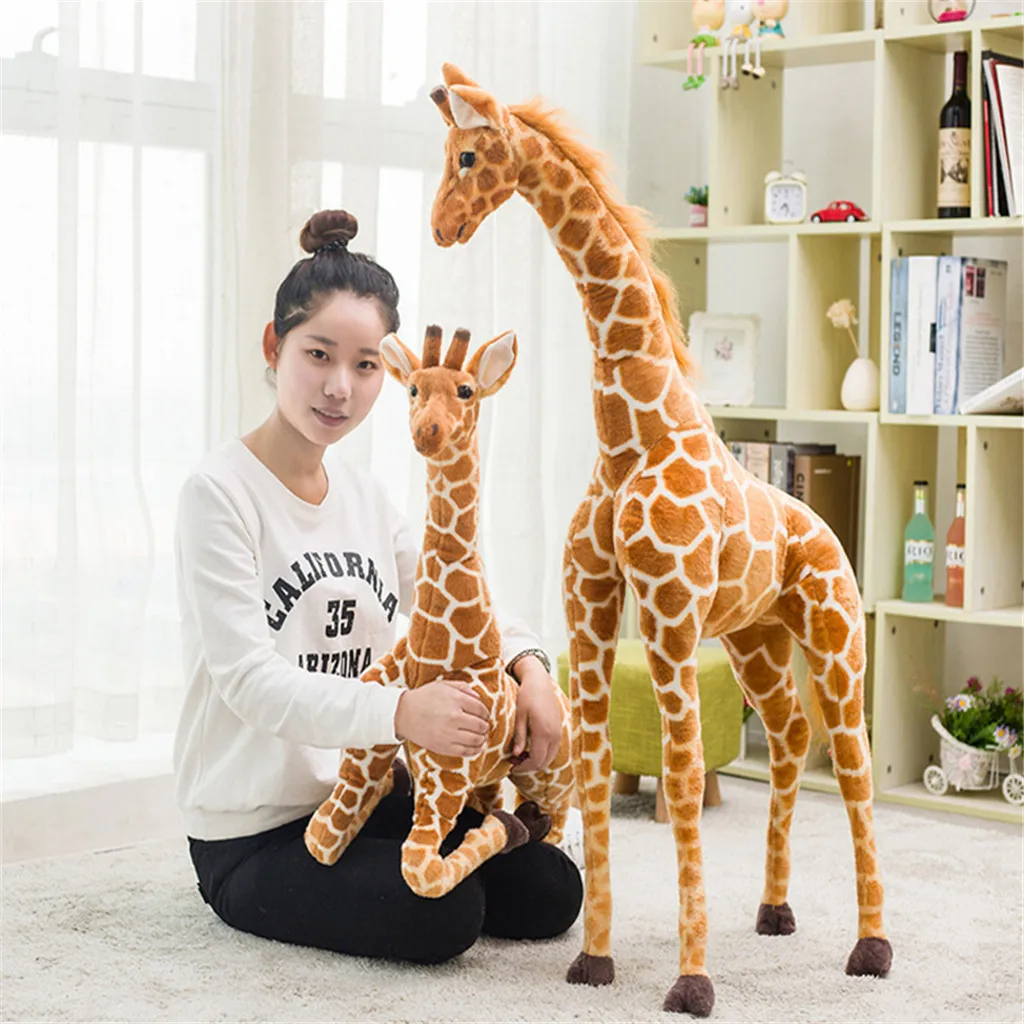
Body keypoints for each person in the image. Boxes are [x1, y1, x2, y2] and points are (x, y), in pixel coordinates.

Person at [173, 208, 583, 965]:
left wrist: (530, 668)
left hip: (364, 795)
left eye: (365, 366)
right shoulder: (219, 493)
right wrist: (401, 712)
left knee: (552, 890)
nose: (340, 387)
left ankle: (433, 855)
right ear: (273, 346)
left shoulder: (365, 495)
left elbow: (455, 586)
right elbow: (250, 682)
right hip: (253, 832)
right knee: (447, 914)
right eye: (318, 355)